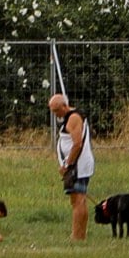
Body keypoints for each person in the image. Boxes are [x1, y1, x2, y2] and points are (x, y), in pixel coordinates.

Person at [49, 92, 95, 242]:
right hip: (76, 165)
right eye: (53, 111)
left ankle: (77, 236)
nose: (56, 114)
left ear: (64, 105)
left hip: (78, 166)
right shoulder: (69, 117)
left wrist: (67, 164)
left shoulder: (74, 118)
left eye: (57, 110)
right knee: (77, 199)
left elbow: (77, 144)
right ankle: (79, 235)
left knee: (78, 200)